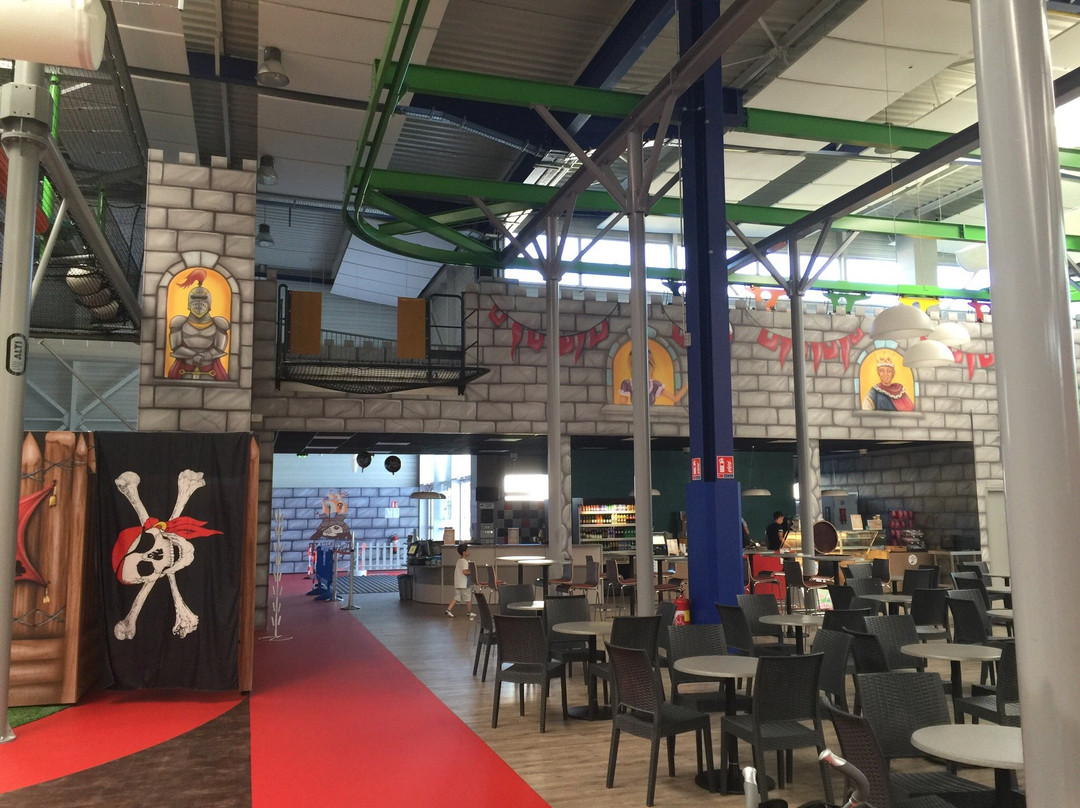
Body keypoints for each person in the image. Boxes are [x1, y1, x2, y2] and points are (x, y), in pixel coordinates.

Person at [168, 283, 230, 379]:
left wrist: (204, 356)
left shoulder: (219, 324)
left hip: (210, 371)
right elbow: (176, 347)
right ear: (189, 304)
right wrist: (193, 355)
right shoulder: (178, 322)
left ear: (210, 304)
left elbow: (219, 349)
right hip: (184, 370)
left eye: (203, 299)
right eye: (195, 299)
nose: (199, 303)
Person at [445, 543, 473, 618]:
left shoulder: (459, 560)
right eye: (468, 550)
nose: (469, 552)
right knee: (468, 598)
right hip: (464, 583)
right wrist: (471, 572)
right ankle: (469, 613)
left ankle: (448, 610)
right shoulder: (465, 561)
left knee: (456, 597)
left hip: (458, 583)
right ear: (464, 552)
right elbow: (464, 571)